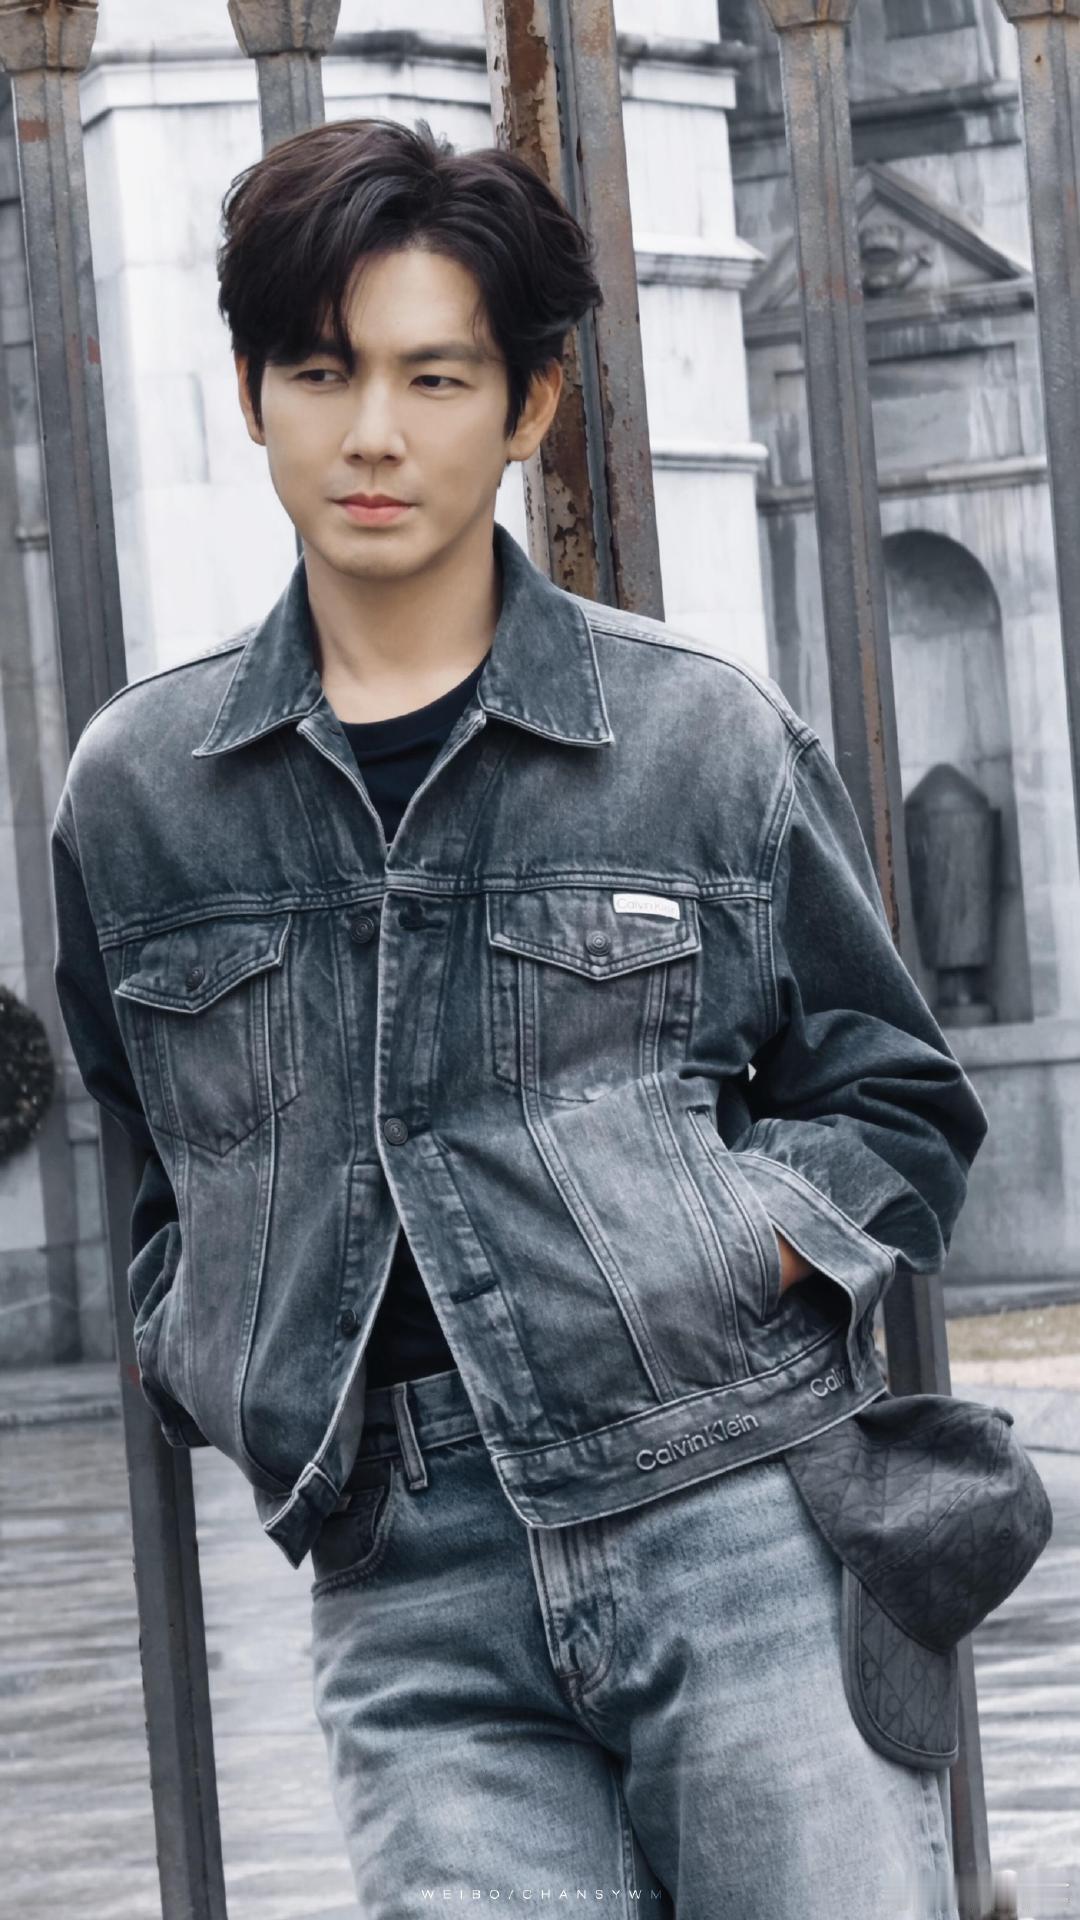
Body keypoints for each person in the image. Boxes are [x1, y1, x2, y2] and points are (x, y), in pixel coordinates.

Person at [51, 116, 993, 1917]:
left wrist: (731, 1246)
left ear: (528, 405)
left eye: (434, 376)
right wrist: (205, 1339)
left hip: (736, 1514)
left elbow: (895, 1096)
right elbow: (159, 1147)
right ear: (251, 396)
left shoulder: (698, 738)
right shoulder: (144, 792)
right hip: (404, 1578)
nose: (374, 433)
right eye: (321, 371)